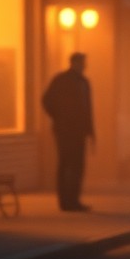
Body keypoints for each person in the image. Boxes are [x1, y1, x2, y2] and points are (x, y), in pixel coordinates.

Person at [42, 52, 95, 212]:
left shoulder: (84, 82)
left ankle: (74, 200)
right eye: (82, 62)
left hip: (79, 130)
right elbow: (46, 100)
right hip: (65, 130)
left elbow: (88, 108)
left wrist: (90, 130)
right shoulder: (61, 80)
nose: (84, 66)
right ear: (73, 63)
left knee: (78, 165)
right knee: (66, 163)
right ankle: (65, 201)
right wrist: (59, 117)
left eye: (84, 63)